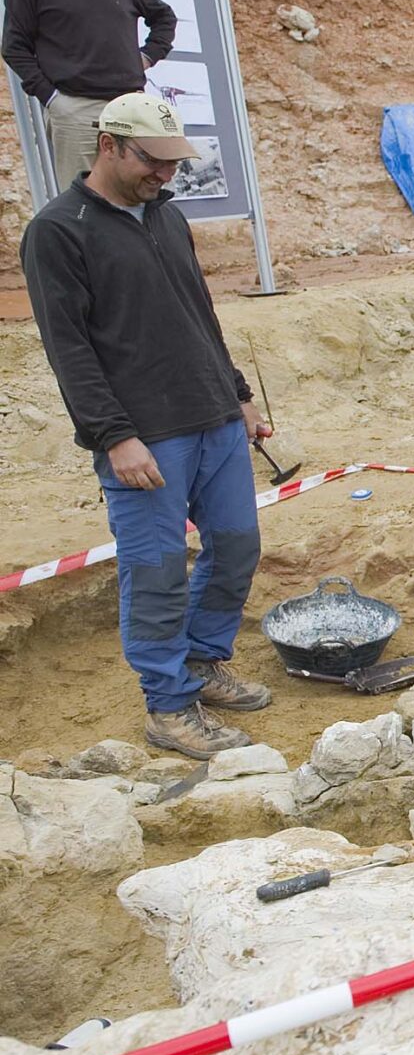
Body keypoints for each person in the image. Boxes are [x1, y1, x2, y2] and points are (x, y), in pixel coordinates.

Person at [20, 93, 272, 759]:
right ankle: (168, 706)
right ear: (108, 146)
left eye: (172, 163)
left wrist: (238, 394)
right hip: (144, 434)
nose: (165, 175)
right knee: (156, 570)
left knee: (237, 546)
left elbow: (198, 313)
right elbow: (69, 349)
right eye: (152, 161)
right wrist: (113, 436)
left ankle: (202, 662)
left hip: (213, 415)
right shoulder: (58, 231)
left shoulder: (166, 216)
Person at [3, 0, 178, 185]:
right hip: (75, 110)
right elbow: (14, 46)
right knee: (84, 200)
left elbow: (164, 17)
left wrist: (146, 57)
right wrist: (52, 98)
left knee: (142, 191)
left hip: (131, 105)